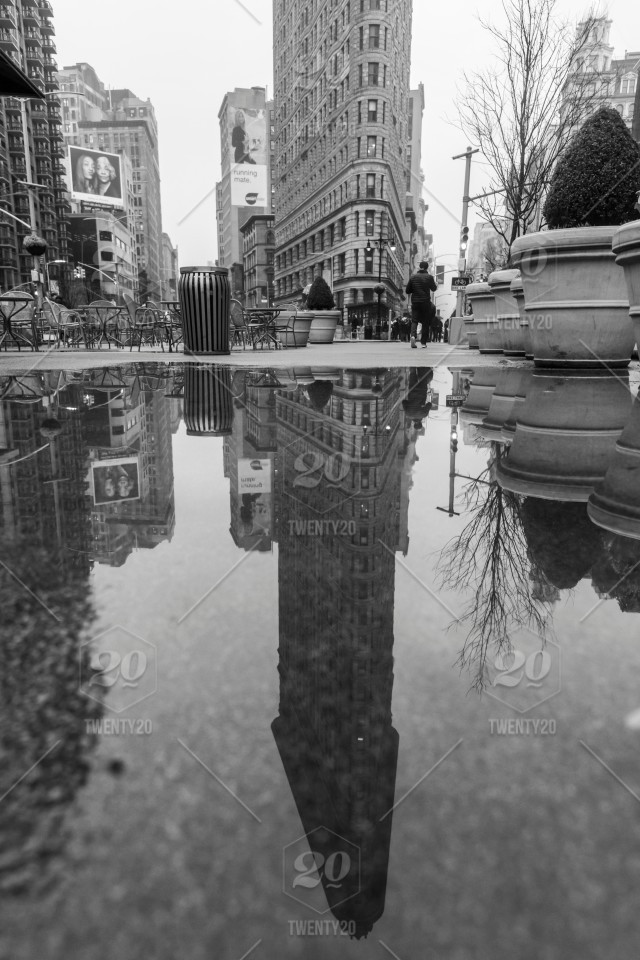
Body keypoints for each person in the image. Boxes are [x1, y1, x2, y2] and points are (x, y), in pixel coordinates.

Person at [405, 260, 437, 349]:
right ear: (427, 268)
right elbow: (433, 289)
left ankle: (413, 336)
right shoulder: (429, 277)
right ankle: (423, 343)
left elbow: (407, 291)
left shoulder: (413, 277)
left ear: (419, 267)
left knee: (414, 320)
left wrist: (414, 289)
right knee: (425, 322)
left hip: (415, 302)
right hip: (425, 302)